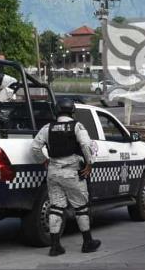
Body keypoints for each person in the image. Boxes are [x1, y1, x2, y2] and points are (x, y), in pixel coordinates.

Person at [30, 97, 101, 256]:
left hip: (53, 172)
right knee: (81, 207)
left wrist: (44, 161)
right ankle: (88, 242)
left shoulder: (47, 128)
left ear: (57, 111)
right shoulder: (77, 126)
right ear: (72, 111)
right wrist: (89, 163)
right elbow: (86, 145)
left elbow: (35, 147)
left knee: (56, 207)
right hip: (72, 172)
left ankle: (55, 246)